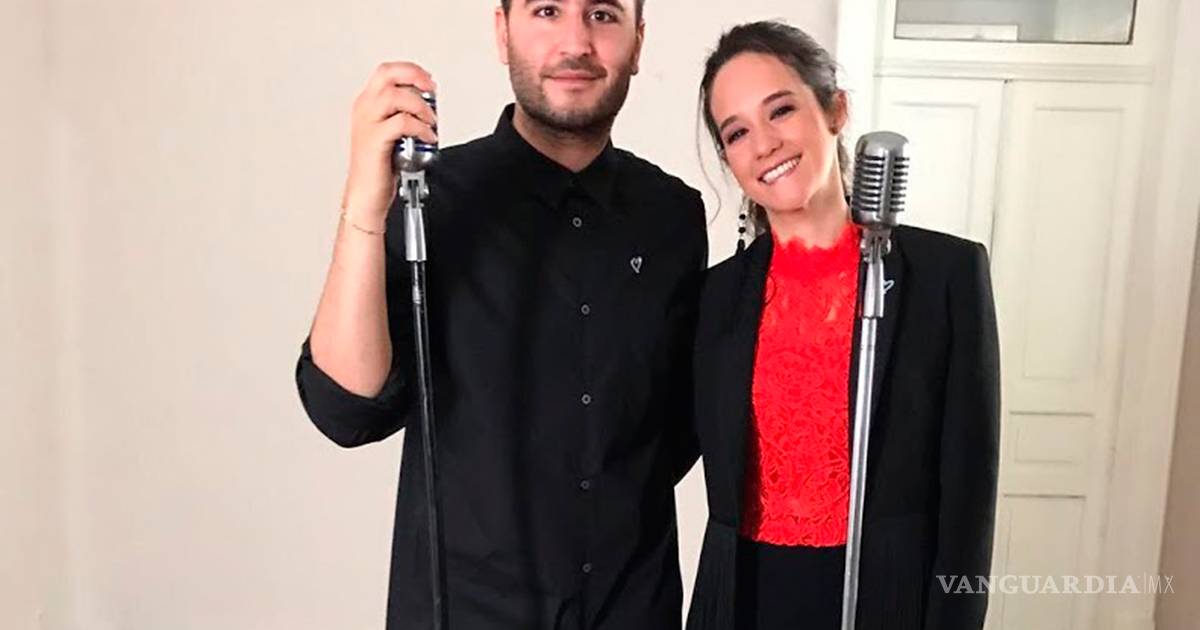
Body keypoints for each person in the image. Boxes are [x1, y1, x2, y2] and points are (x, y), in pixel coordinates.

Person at [293, 1, 706, 628]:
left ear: (638, 43)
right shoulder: (428, 199)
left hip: (634, 609)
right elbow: (345, 410)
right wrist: (364, 203)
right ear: (502, 32)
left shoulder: (673, 215)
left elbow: (674, 435)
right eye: (547, 10)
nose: (576, 42)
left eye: (603, 14)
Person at [685, 21, 1000, 630]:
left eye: (781, 110)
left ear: (835, 110)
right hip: (743, 600)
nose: (764, 143)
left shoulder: (946, 276)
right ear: (728, 158)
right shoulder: (715, 296)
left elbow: (969, 497)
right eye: (737, 132)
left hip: (888, 600)